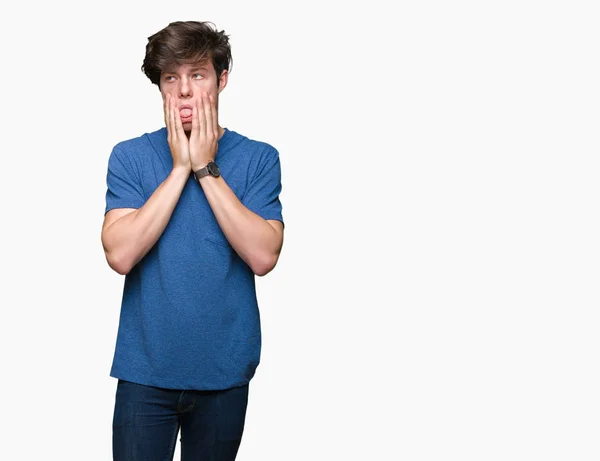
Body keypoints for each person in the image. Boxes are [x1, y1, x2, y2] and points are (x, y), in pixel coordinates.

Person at [101, 20, 284, 461]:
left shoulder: (259, 158)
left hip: (224, 372)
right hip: (145, 373)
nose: (183, 90)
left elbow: (264, 255)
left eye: (197, 74)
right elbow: (120, 253)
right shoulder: (130, 156)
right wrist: (180, 168)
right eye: (170, 77)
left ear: (221, 80)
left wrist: (205, 168)